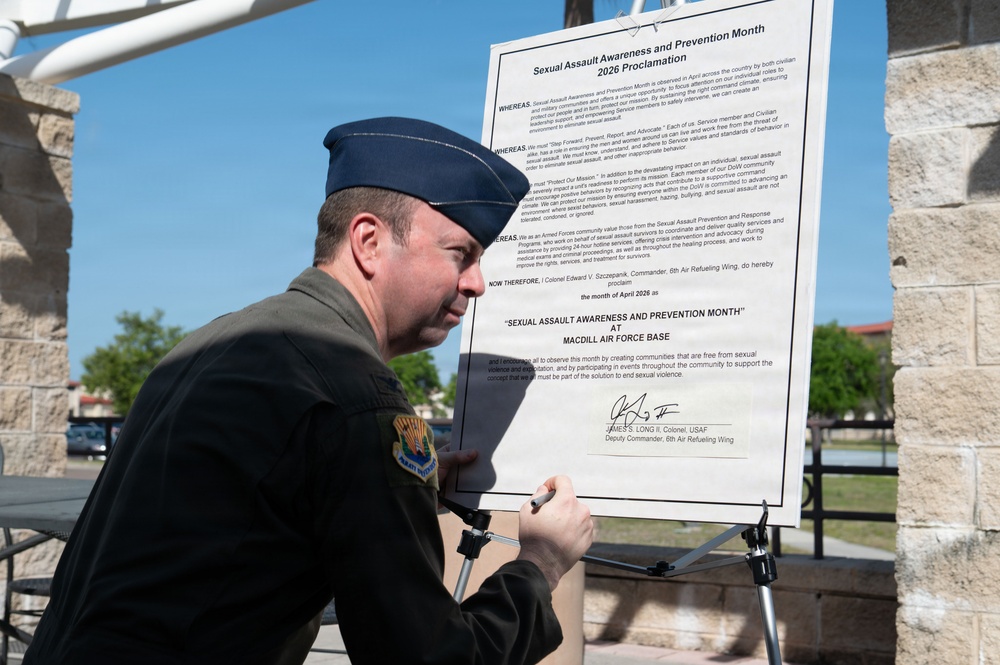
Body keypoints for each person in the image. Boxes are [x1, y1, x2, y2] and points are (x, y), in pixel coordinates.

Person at [23, 117, 594, 665]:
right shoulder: (359, 398)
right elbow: (426, 656)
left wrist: (402, 488)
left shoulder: (211, 342)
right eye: (460, 253)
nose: (477, 283)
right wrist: (540, 562)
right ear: (368, 241)